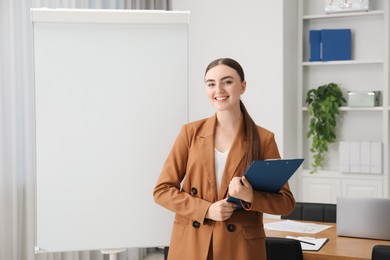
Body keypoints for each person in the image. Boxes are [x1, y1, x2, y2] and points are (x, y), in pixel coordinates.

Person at [153, 58, 296, 260]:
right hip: (192, 244)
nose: (218, 89)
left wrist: (250, 197)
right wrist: (207, 210)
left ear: (243, 86)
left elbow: (286, 203)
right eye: (211, 84)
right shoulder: (190, 133)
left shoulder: (263, 139)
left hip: (239, 250)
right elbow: (162, 191)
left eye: (227, 82)